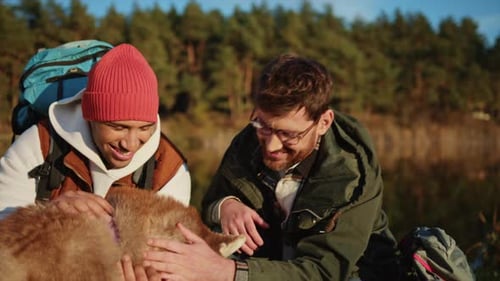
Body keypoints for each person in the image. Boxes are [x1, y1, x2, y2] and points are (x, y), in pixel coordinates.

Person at [141, 53, 399, 281]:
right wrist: (226, 206)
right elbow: (211, 201)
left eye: (288, 134)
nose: (271, 145)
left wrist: (226, 272)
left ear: (323, 122)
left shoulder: (349, 176)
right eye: (262, 125)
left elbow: (323, 272)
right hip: (267, 265)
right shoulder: (248, 139)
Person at [0, 43, 191, 279]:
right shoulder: (37, 144)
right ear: (90, 114)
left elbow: (175, 256)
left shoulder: (170, 168)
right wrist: (48, 215)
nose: (130, 143)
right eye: (117, 127)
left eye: (144, 127)